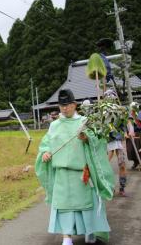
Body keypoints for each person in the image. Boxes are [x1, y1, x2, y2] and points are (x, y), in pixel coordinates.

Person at [35, 89, 115, 245]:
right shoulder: (54, 125)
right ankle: (67, 237)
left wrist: (87, 138)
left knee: (86, 206)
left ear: (74, 105)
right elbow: (46, 144)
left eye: (68, 105)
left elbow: (98, 142)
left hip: (81, 174)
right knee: (64, 208)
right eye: (61, 105)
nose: (65, 108)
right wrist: (45, 153)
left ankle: (90, 232)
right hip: (62, 175)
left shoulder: (85, 122)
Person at [104, 89, 127, 197]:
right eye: (108, 97)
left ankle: (122, 188)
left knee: (122, 164)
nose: (110, 98)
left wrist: (125, 131)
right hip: (107, 140)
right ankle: (109, 187)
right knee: (105, 165)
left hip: (117, 140)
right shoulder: (102, 111)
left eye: (111, 96)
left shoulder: (119, 110)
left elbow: (124, 124)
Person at [126, 102, 141, 170]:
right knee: (131, 150)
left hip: (138, 134)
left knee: (138, 150)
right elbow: (127, 124)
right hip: (130, 135)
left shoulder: (139, 114)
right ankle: (136, 162)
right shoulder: (129, 115)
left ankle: (139, 162)